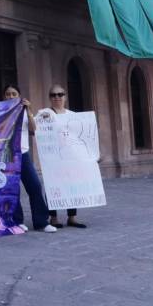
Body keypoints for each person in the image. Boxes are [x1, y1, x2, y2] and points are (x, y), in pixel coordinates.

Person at [2, 85, 57, 234]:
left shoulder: (25, 111)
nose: (11, 97)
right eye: (8, 94)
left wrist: (29, 111)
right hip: (8, 155)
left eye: (14, 94)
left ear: (19, 96)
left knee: (35, 186)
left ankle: (41, 222)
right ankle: (16, 221)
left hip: (24, 154)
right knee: (13, 190)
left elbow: (33, 130)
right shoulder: (1, 113)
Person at [46, 84, 86, 229]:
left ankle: (72, 217)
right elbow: (36, 131)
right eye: (53, 95)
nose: (57, 97)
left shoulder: (73, 116)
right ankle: (53, 217)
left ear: (65, 97)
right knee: (53, 187)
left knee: (71, 186)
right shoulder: (44, 114)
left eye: (60, 94)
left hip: (70, 157)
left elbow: (82, 138)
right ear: (50, 98)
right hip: (52, 157)